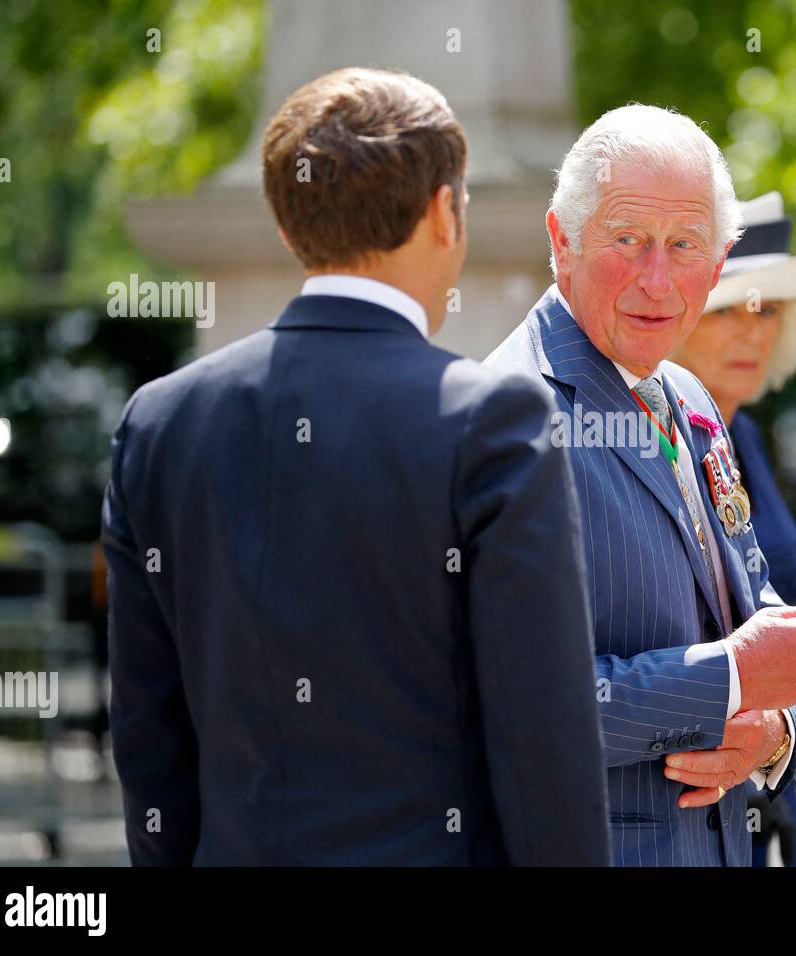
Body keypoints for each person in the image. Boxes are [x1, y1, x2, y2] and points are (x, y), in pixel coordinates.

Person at [102, 67, 609, 866]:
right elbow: (542, 739)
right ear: (445, 211)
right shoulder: (493, 422)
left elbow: (146, 735)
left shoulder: (160, 423)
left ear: (286, 223)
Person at [485, 105, 796, 867]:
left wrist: (773, 728)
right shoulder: (510, 415)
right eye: (627, 241)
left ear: (718, 265)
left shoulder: (687, 394)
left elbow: (752, 603)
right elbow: (513, 705)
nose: (657, 277)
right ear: (561, 241)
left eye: (684, 246)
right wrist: (731, 680)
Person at [670, 191, 796, 865]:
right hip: (696, 802)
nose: (753, 332)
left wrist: (779, 736)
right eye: (729, 310)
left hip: (774, 786)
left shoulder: (743, 436)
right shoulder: (654, 441)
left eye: (770, 310)